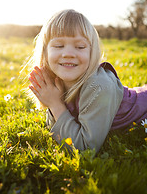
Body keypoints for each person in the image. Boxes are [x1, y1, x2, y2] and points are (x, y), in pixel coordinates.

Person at [28, 9, 147, 153]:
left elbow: (85, 149)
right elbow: (56, 128)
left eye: (80, 47)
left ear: (92, 52)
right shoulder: (57, 80)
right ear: (45, 52)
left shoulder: (99, 86)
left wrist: (55, 104)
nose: (68, 54)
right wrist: (54, 103)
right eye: (59, 46)